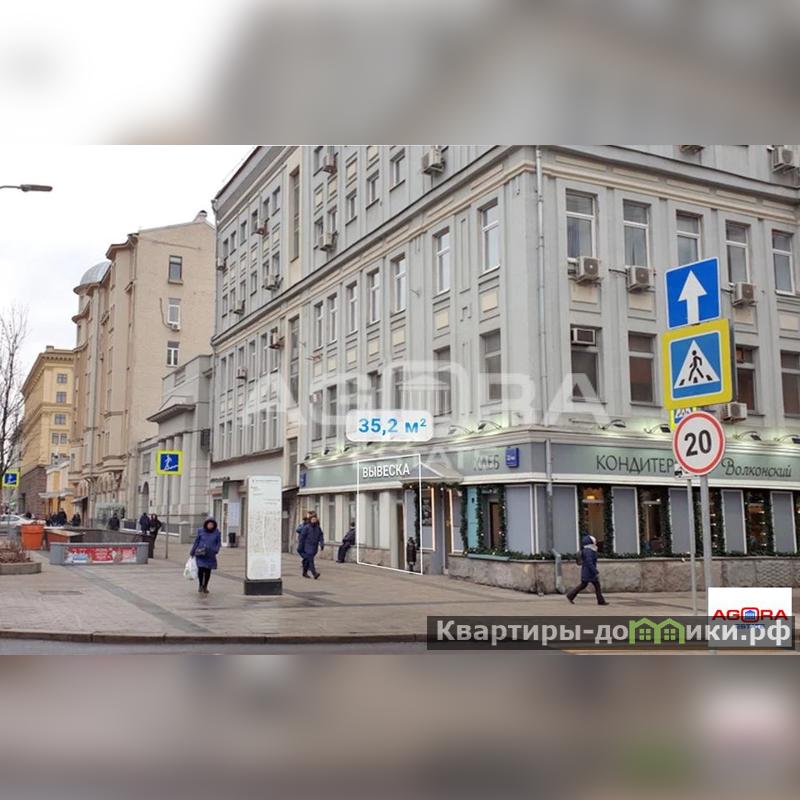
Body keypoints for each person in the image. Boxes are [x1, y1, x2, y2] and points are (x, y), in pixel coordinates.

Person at [567, 534, 609, 605]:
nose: (595, 542)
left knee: (584, 585)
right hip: (589, 572)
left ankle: (570, 596)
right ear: (590, 542)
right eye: (594, 540)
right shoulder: (589, 551)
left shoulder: (588, 550)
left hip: (587, 571)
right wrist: (595, 571)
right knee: (596, 585)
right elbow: (589, 562)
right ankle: (600, 601)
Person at [190, 518, 222, 594]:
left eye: (212, 524)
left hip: (210, 555)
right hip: (201, 553)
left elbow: (218, 543)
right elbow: (196, 541)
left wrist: (216, 550)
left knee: (207, 571)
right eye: (209, 524)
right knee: (201, 569)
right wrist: (192, 551)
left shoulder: (217, 532)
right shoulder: (201, 531)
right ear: (206, 524)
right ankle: (200, 585)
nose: (210, 526)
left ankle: (205, 586)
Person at [297, 513, 324, 579]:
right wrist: (300, 547)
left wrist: (322, 543)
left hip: (314, 547)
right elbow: (302, 537)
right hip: (307, 546)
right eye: (313, 519)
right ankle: (314, 573)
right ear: (310, 520)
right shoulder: (307, 527)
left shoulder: (318, 528)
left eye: (315, 519)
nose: (314, 520)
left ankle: (304, 573)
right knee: (311, 559)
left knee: (307, 560)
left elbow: (321, 536)